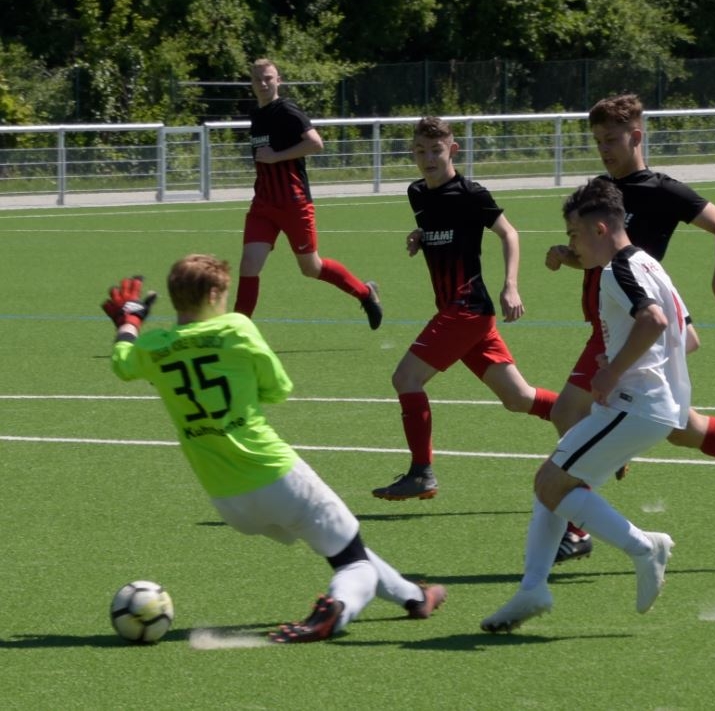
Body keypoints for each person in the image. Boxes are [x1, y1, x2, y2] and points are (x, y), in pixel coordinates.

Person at [101, 257, 445, 643]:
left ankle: (415, 598)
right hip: (274, 475)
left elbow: (122, 363)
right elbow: (278, 388)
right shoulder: (235, 328)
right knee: (354, 564)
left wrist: (129, 321)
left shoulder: (153, 347)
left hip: (227, 498)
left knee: (341, 543)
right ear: (213, 295)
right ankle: (336, 612)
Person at [547, 94, 715, 564]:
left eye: (611, 140)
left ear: (636, 136)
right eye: (598, 141)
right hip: (625, 323)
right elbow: (598, 256)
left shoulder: (661, 190)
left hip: (635, 326)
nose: (604, 149)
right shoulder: (601, 192)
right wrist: (567, 256)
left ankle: (577, 528)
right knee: (680, 428)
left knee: (569, 411)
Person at [482, 178, 686, 632]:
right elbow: (685, 336)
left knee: (550, 482)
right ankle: (533, 587)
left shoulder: (617, 270)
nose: (572, 245)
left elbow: (653, 321)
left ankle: (644, 547)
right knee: (553, 482)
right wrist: (620, 357)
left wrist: (614, 371)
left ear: (599, 229)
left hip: (635, 405)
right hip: (647, 406)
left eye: (574, 235)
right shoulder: (650, 264)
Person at [371, 116, 558, 501]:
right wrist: (421, 237)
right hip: (465, 316)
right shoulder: (417, 193)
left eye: (436, 151)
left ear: (453, 150)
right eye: (420, 151)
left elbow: (509, 233)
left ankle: (421, 472)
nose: (428, 159)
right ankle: (594, 423)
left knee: (406, 378)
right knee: (518, 398)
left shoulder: (471, 193)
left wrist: (511, 285)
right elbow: (443, 229)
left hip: (466, 308)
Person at [233, 58, 382, 329]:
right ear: (251, 83)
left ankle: (365, 292)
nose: (263, 83)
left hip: (293, 202)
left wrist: (276, 156)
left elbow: (315, 143)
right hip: (263, 204)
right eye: (257, 79)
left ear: (278, 81)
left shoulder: (286, 110)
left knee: (311, 268)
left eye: (268, 78)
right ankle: (237, 331)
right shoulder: (257, 116)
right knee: (248, 265)